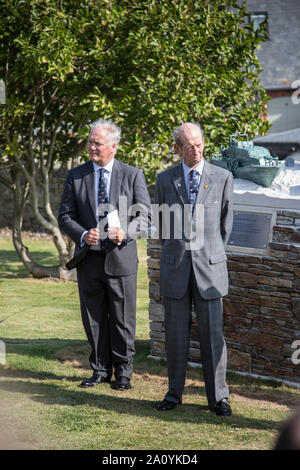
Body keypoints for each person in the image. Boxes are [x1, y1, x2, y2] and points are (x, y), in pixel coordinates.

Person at [58, 118, 151, 391]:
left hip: (121, 259)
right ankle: (99, 370)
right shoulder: (76, 175)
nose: (91, 148)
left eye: (96, 143)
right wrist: (83, 235)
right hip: (88, 260)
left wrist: (126, 232)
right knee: (93, 318)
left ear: (113, 146)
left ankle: (124, 373)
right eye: (89, 142)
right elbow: (65, 216)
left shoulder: (133, 175)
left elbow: (144, 216)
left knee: (123, 319)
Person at [155, 122, 233, 416]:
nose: (196, 150)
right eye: (189, 146)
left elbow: (226, 226)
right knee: (175, 336)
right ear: (177, 149)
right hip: (176, 269)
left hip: (210, 270)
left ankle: (218, 398)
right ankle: (174, 394)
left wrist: (207, 253)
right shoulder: (164, 180)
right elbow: (164, 228)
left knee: (214, 337)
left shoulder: (223, 177)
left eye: (199, 144)